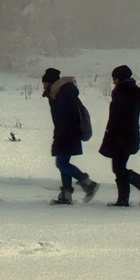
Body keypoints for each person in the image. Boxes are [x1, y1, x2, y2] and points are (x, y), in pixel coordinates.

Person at [99, 64, 140, 206]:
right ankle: (124, 199)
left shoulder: (123, 93)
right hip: (128, 136)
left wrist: (118, 136)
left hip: (122, 137)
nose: (113, 82)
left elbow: (121, 118)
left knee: (118, 168)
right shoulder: (130, 92)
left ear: (120, 79)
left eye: (115, 78)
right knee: (119, 167)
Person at [42, 68, 99, 204]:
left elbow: (66, 117)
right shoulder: (60, 93)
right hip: (66, 132)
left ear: (51, 82)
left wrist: (60, 135)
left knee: (61, 163)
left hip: (67, 133)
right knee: (63, 164)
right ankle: (66, 196)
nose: (43, 86)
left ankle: (88, 184)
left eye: (44, 83)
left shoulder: (63, 94)